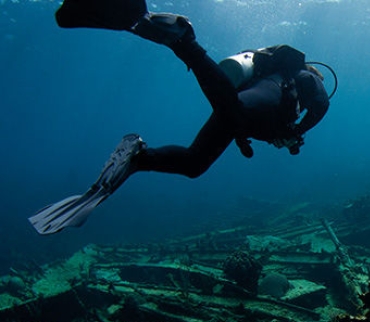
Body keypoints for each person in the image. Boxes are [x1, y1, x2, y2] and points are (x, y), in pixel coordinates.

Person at [29, 0, 331, 235]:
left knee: (194, 163)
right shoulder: (307, 78)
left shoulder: (280, 97)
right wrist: (299, 129)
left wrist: (283, 133)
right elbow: (320, 105)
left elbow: (257, 121)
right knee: (233, 110)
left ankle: (138, 158)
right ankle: (184, 41)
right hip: (245, 105)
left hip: (241, 110)